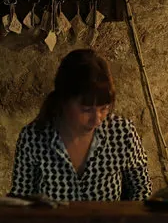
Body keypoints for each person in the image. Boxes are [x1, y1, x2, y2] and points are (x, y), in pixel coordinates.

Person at [10, 49, 152, 201]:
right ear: (64, 101)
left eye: (104, 108)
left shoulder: (122, 133)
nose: (97, 120)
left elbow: (141, 188)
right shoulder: (34, 138)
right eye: (86, 110)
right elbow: (21, 199)